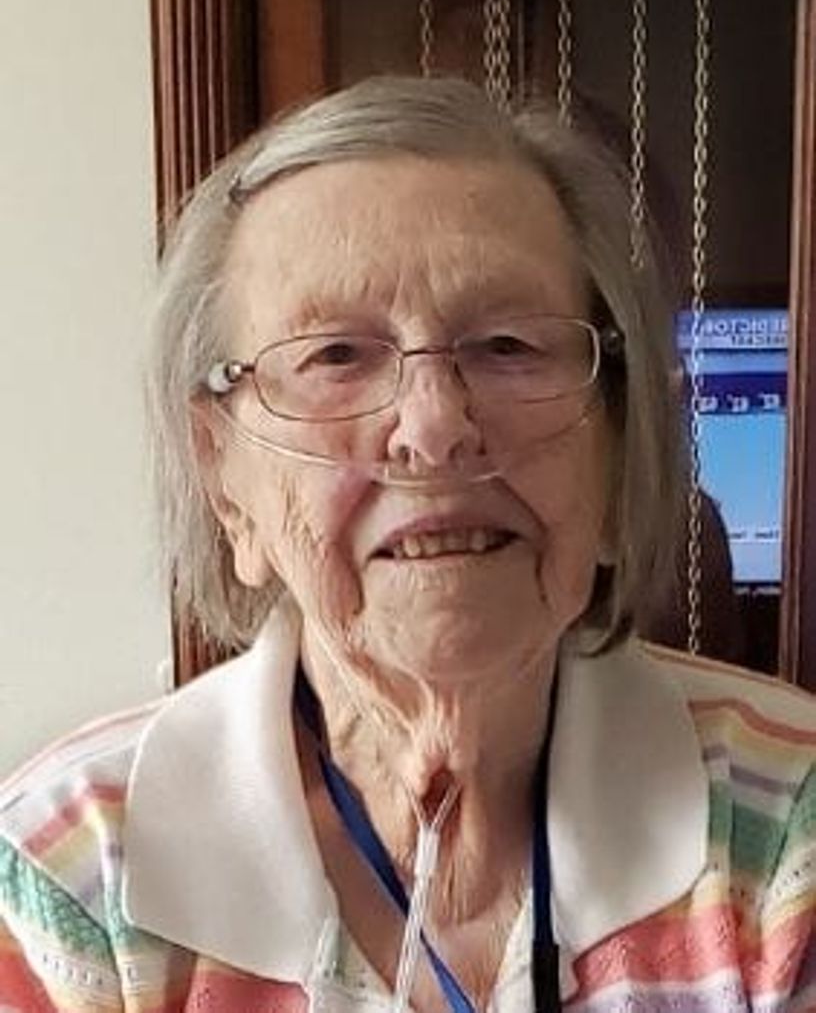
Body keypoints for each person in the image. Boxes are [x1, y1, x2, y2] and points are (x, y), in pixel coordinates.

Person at [0, 77, 813, 1013]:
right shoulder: (69, 873)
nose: (434, 428)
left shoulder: (789, 820)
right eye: (335, 356)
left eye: (508, 345)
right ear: (226, 478)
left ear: (617, 440)